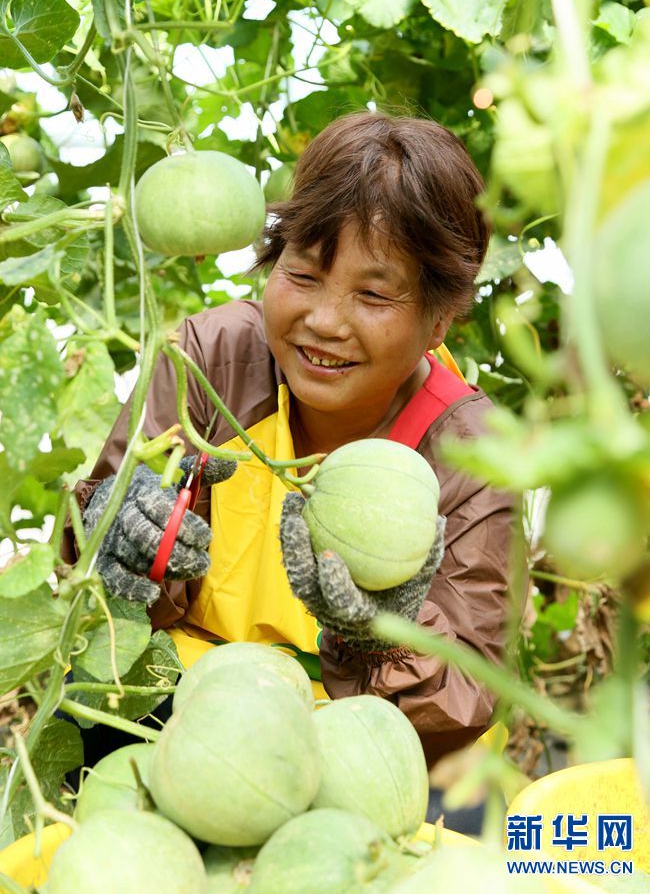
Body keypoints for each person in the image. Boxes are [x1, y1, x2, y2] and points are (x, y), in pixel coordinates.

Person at [64, 110, 513, 772]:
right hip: (190, 701)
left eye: (374, 294)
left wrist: (375, 636)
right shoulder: (205, 359)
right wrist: (116, 546)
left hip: (359, 739)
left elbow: (463, 702)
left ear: (439, 317)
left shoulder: (477, 452)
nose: (324, 321)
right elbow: (93, 593)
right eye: (302, 276)